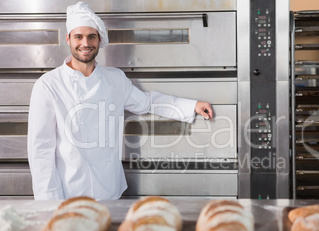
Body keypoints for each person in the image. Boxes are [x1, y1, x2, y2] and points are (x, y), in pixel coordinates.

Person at [27, 1, 213, 200]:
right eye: (78, 37)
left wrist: (192, 105)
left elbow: (147, 103)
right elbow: (41, 150)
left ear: (99, 40)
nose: (85, 43)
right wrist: (48, 204)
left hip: (110, 192)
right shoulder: (48, 85)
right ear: (68, 39)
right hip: (69, 195)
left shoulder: (114, 79)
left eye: (91, 36)